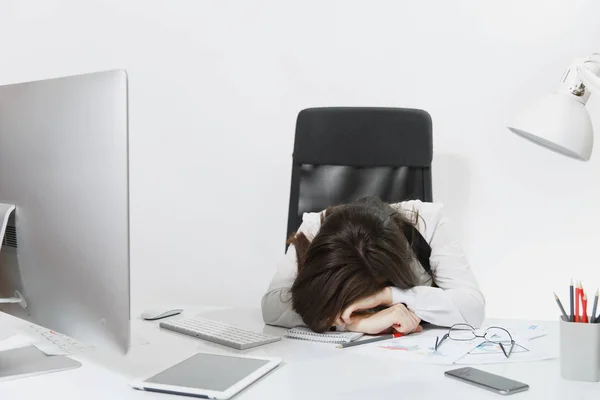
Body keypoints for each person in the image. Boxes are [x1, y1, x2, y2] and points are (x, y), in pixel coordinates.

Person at [261, 196, 485, 335]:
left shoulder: (428, 222)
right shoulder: (313, 228)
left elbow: (473, 309)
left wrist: (389, 295)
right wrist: (356, 322)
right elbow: (272, 307)